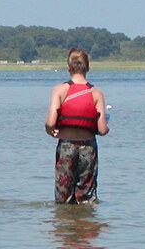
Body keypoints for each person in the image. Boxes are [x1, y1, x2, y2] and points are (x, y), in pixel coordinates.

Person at [45, 49, 109, 204]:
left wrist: (50, 132)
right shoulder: (96, 93)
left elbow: (50, 123)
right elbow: (102, 130)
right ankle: (85, 218)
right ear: (88, 67)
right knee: (86, 196)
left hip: (66, 146)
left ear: (68, 67)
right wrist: (107, 124)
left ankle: (64, 217)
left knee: (63, 194)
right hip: (88, 147)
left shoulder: (59, 90)